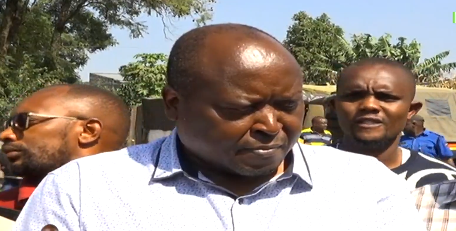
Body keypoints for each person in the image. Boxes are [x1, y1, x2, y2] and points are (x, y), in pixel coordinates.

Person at [14, 24, 424, 231]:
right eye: (239, 109)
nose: (270, 126)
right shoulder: (84, 191)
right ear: (174, 104)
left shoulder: (365, 189)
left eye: (287, 106)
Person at [0, 84, 130, 210]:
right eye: (9, 124)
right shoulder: (4, 209)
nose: (5, 134)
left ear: (88, 131)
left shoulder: (138, 209)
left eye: (23, 121)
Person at [333, 57, 456, 189]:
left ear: (410, 111)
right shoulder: (310, 172)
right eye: (354, 96)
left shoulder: (443, 184)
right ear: (333, 106)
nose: (369, 105)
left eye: (387, 98)